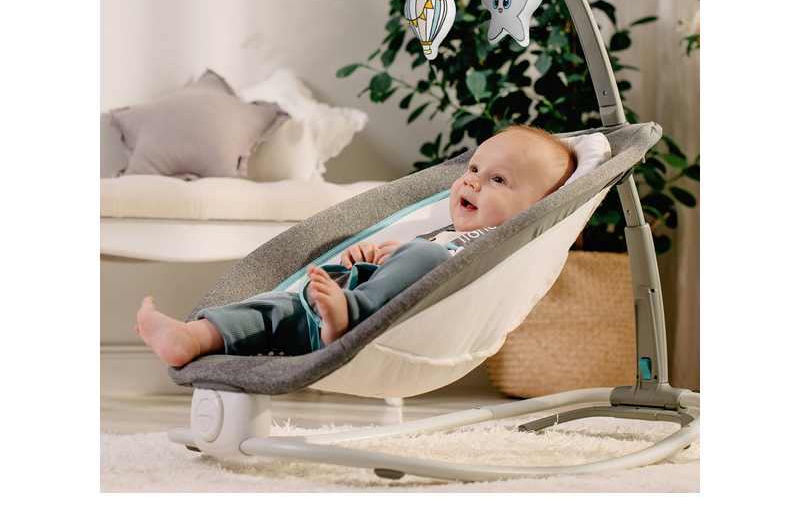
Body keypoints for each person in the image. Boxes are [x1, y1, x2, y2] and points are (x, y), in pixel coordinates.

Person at [135, 125, 577, 366]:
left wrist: (405, 258)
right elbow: (399, 267)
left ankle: (348, 314)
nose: (472, 181)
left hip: (385, 327)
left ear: (534, 210)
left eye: (497, 179)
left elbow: (429, 269)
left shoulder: (498, 244)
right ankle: (192, 337)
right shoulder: (436, 232)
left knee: (425, 255)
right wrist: (367, 259)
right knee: (274, 306)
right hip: (328, 315)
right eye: (474, 168)